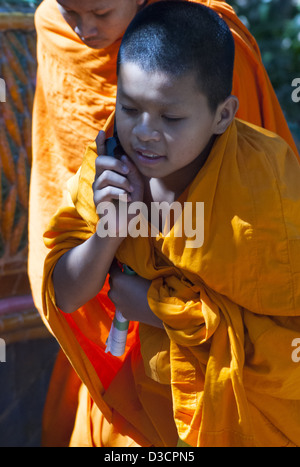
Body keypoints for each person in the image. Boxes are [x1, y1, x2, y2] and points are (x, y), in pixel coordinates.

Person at [30, 0, 299, 447]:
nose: (145, 133)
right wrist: (109, 230)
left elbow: (283, 334)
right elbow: (66, 293)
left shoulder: (263, 181)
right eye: (130, 109)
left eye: (171, 118)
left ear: (224, 115)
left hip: (241, 416)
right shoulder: (109, 164)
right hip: (140, 407)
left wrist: (157, 309)